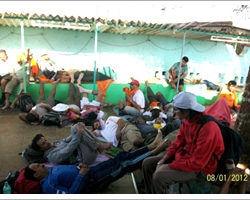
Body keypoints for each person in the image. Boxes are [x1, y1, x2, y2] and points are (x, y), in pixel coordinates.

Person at [24, 133, 169, 194]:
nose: (41, 165)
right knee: (125, 165)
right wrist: (81, 175)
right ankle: (154, 151)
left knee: (122, 157)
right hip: (92, 180)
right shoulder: (49, 185)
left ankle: (151, 147)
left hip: (88, 170)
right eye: (37, 166)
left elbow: (68, 163)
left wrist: (79, 167)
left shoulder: (50, 170)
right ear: (36, 175)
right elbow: (70, 194)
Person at [142, 91, 224, 193]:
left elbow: (197, 163)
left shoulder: (207, 128)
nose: (174, 112)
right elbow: (178, 142)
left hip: (201, 168)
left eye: (176, 110)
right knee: (147, 163)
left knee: (159, 176)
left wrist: (169, 166)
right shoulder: (187, 120)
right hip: (186, 157)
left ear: (187, 111)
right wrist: (163, 159)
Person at [30, 122, 112, 165]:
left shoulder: (54, 144)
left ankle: (98, 145)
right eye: (43, 143)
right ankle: (99, 146)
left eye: (45, 140)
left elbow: (67, 140)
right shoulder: (51, 156)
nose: (47, 142)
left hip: (84, 150)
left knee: (76, 126)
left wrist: (79, 129)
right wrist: (78, 134)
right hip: (84, 158)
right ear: (41, 149)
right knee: (77, 133)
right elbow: (69, 149)